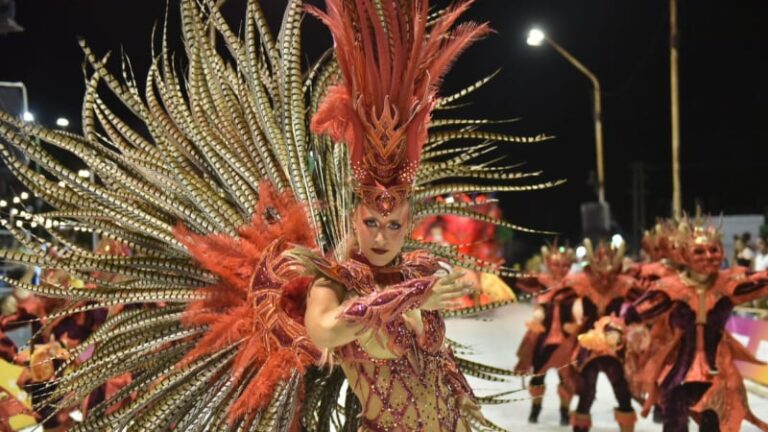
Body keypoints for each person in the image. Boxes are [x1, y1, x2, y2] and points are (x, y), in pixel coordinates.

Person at [0, 0, 556, 428]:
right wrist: (410, 298)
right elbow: (328, 330)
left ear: (409, 223)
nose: (382, 232)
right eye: (371, 221)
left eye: (393, 223)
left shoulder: (421, 273)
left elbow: (441, 371)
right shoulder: (333, 280)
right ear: (351, 219)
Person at [514, 244, 578, 426]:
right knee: (538, 375)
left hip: (566, 339)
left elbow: (581, 305)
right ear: (549, 265)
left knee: (566, 377)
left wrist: (578, 319)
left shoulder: (574, 285)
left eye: (564, 265)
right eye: (556, 265)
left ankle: (565, 412)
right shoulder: (543, 282)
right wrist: (538, 316)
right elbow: (527, 287)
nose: (560, 269)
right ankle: (535, 410)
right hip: (544, 337)